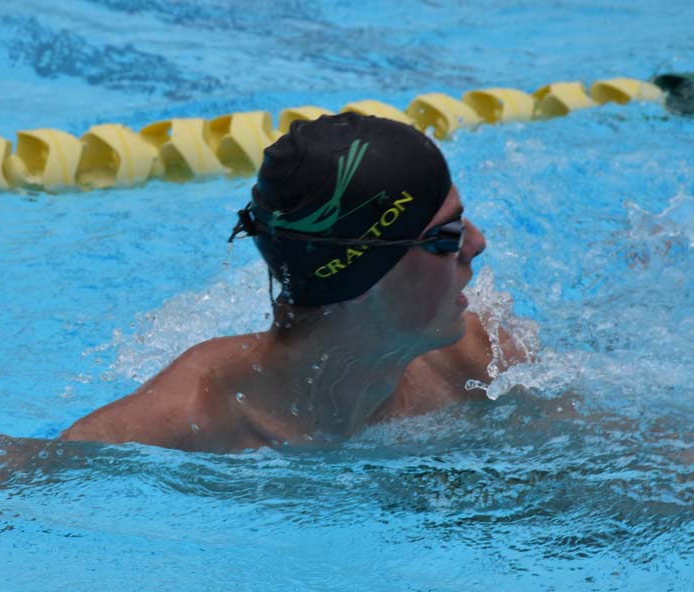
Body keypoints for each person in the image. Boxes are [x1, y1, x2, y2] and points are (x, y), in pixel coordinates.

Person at [61, 112, 525, 452]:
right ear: (359, 273)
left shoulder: (480, 360)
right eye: (446, 237)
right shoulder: (183, 423)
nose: (477, 244)